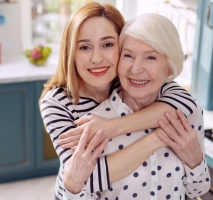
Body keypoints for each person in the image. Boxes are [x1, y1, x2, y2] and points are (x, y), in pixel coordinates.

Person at [39, 3, 201, 200]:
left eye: (107, 44)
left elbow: (185, 103)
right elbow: (84, 178)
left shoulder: (131, 82)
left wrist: (111, 127)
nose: (97, 58)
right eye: (84, 47)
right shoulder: (57, 103)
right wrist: (159, 137)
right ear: (71, 52)